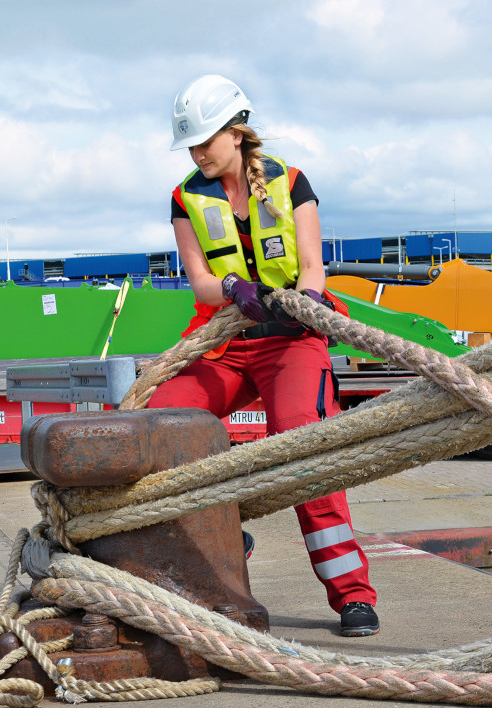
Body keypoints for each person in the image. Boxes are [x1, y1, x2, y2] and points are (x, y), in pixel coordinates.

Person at [146, 74, 379, 637]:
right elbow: (198, 281)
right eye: (192, 145)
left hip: (290, 342)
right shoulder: (185, 199)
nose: (199, 153)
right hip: (224, 344)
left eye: (207, 140)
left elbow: (313, 267)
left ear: (236, 130)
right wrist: (231, 290)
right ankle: (225, 533)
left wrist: (311, 300)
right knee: (158, 431)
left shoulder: (291, 183)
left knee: (305, 446)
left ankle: (352, 595)